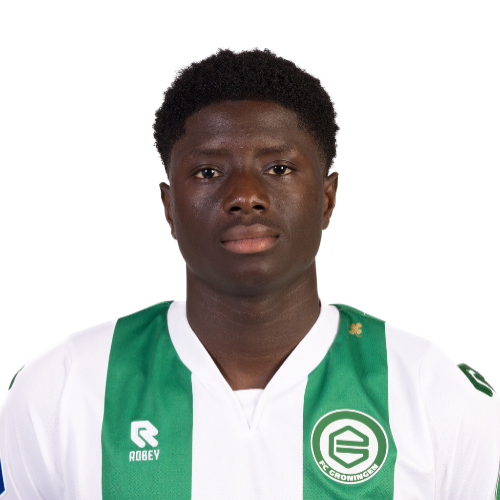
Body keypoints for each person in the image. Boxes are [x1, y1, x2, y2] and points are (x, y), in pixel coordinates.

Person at [0, 47, 499, 500]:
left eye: (278, 168)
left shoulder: (436, 391)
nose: (244, 196)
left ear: (328, 199)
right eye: (208, 172)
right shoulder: (61, 387)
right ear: (168, 206)